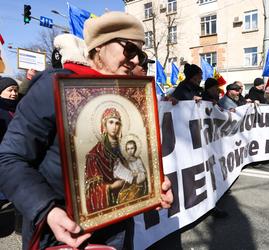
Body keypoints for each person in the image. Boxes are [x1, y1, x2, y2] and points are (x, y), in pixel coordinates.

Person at [0, 12, 173, 250]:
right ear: (99, 47)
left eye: (141, 54)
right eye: (130, 50)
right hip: (62, 232)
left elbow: (128, 160)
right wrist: (47, 210)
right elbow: (9, 158)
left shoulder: (127, 95)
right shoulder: (54, 87)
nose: (136, 61)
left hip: (117, 230)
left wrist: (150, 187)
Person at [85, 107, 128, 212]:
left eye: (117, 123)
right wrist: (112, 187)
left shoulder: (124, 149)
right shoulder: (94, 155)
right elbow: (93, 190)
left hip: (126, 202)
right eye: (111, 122)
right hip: (110, 208)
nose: (114, 126)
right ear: (104, 125)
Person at [0, 76, 20, 235]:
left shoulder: (20, 108)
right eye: (10, 90)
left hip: (17, 156)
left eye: (15, 90)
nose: (14, 93)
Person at [116, 139, 148, 204]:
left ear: (135, 149)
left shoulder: (138, 160)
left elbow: (143, 173)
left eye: (132, 148)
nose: (130, 151)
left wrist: (137, 174)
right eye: (128, 149)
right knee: (121, 194)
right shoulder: (126, 161)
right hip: (129, 183)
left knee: (131, 195)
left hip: (138, 184)